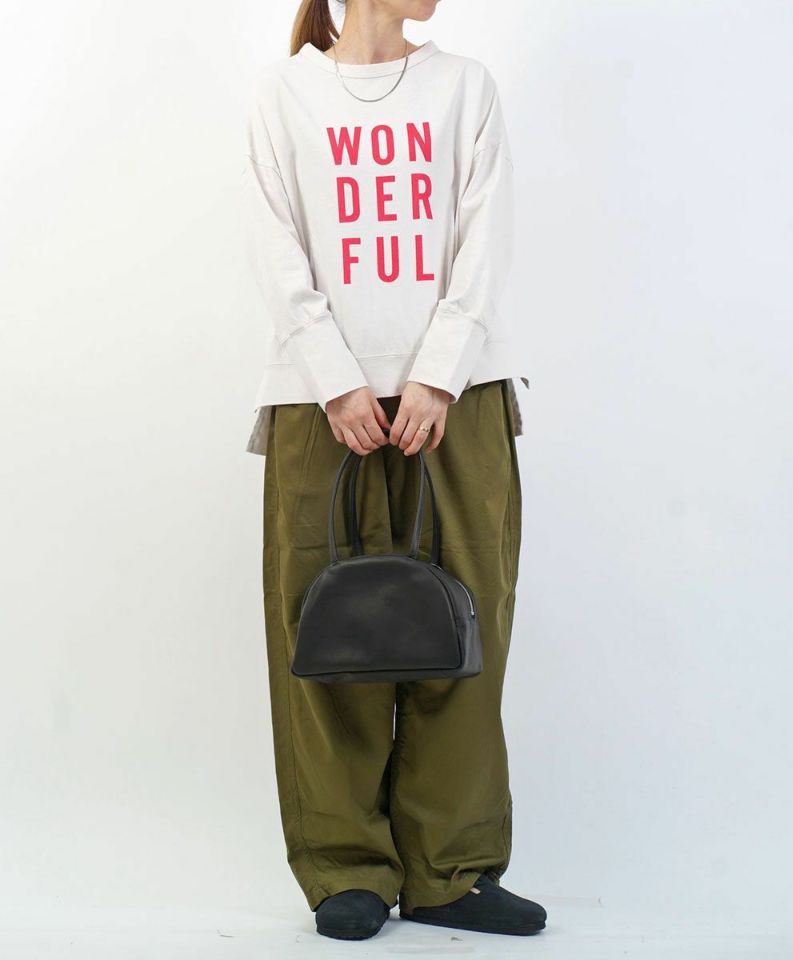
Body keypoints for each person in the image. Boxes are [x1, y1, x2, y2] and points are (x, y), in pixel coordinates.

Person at [242, 0, 545, 941]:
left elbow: (486, 241)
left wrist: (438, 374)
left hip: (459, 398)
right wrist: (337, 379)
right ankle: (346, 869)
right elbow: (275, 249)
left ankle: (451, 871)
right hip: (317, 402)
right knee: (326, 638)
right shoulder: (284, 95)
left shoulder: (464, 88)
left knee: (465, 629)